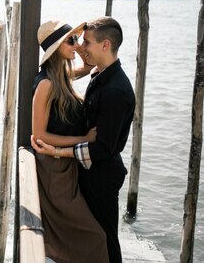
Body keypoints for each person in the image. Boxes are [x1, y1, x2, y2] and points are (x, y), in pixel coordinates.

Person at [32, 17, 135, 263]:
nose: (79, 45)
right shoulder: (54, 81)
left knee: (102, 237)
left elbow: (102, 147)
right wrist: (81, 139)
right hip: (69, 171)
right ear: (57, 48)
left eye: (82, 41)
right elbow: (40, 133)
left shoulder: (105, 87)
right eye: (73, 40)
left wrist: (75, 48)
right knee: (95, 236)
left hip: (93, 172)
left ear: (105, 45)